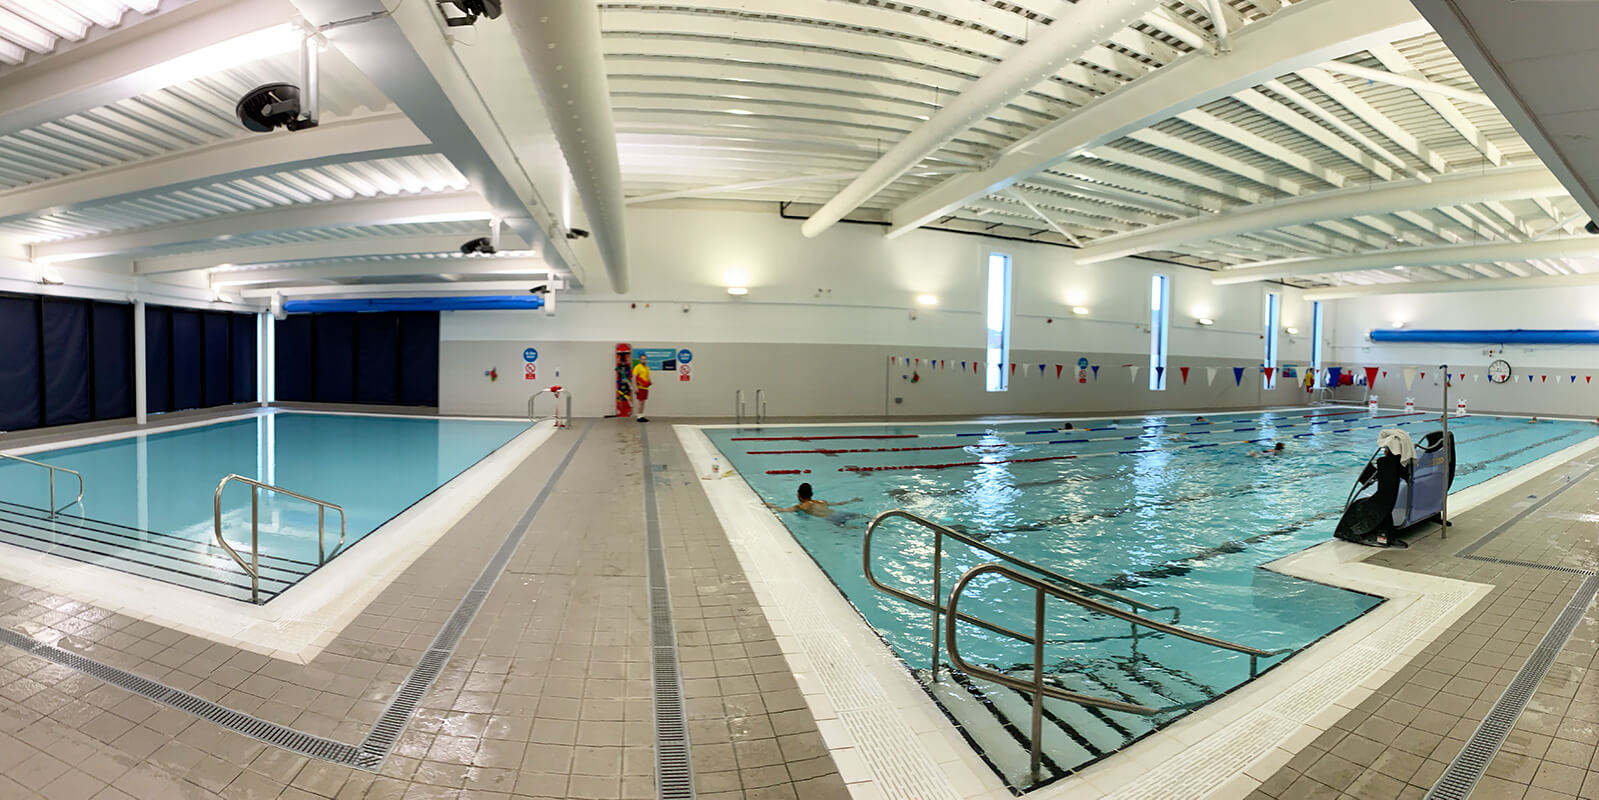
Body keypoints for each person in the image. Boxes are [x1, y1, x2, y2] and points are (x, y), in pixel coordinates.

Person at [766, 482, 865, 525]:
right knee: (863, 517)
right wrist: (852, 500)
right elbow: (838, 504)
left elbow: (782, 510)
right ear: (811, 494)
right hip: (839, 513)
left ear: (799, 495)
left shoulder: (802, 506)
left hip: (832, 519)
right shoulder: (820, 501)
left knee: (853, 529)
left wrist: (770, 505)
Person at [631, 357, 652, 422]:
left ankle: (642, 415)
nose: (644, 360)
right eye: (642, 359)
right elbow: (634, 378)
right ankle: (639, 417)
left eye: (645, 359)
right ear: (640, 360)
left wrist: (649, 381)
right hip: (640, 387)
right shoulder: (637, 367)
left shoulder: (646, 368)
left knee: (643, 402)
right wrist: (635, 387)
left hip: (645, 387)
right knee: (640, 402)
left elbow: (647, 377)